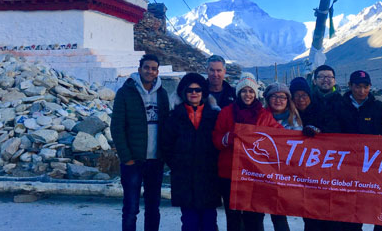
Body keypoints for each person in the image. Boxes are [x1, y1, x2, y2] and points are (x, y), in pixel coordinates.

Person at [212, 72, 282, 231]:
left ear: (256, 93)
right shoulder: (226, 112)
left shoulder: (264, 115)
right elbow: (216, 138)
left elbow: (281, 136)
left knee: (254, 216)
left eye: (251, 91)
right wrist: (228, 137)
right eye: (244, 91)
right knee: (233, 216)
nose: (248, 94)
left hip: (254, 174)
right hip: (229, 172)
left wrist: (304, 136)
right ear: (239, 93)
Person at [337, 70, 382, 231]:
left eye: (365, 86)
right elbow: (329, 134)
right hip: (348, 172)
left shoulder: (380, 108)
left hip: (376, 172)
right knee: (352, 217)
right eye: (357, 86)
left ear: (370, 87)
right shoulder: (339, 107)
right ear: (350, 86)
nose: (362, 91)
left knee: (380, 215)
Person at [110, 54, 170, 231]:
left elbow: (166, 125)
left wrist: (164, 155)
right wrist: (126, 157)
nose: (150, 71)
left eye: (153, 68)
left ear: (157, 71)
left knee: (153, 208)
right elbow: (117, 127)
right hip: (133, 161)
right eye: (146, 67)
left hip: (155, 161)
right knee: (131, 208)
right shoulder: (125, 93)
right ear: (139, 69)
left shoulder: (162, 93)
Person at [162, 73, 221, 231]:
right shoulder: (174, 117)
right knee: (189, 222)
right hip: (184, 179)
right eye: (189, 90)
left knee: (209, 222)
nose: (194, 93)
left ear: (203, 93)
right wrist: (177, 165)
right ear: (183, 93)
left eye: (197, 90)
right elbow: (166, 145)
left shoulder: (214, 116)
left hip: (209, 177)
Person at [289, 77, 340, 231]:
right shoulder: (290, 115)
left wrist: (319, 132)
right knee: (309, 216)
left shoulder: (321, 111)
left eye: (304, 95)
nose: (301, 99)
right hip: (299, 174)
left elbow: (335, 133)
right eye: (296, 96)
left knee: (325, 214)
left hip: (323, 172)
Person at [264, 82, 301, 231]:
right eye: (274, 96)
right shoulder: (260, 117)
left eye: (282, 97)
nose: (278, 100)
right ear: (268, 98)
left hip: (285, 174)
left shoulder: (294, 120)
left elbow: (299, 148)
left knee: (280, 212)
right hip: (263, 172)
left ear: (288, 100)